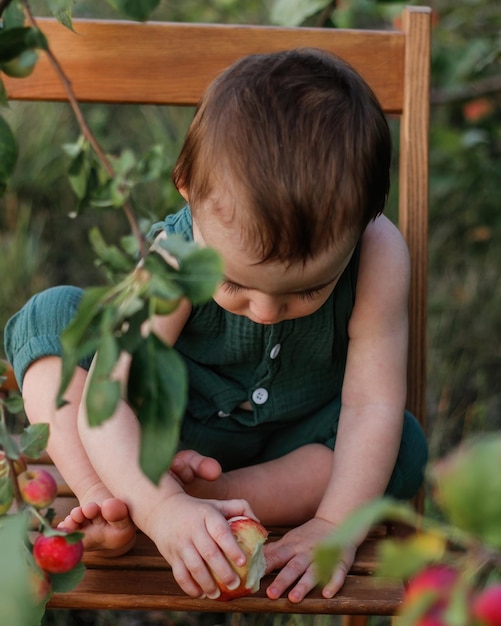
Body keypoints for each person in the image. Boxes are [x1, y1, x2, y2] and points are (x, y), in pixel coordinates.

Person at [4, 48, 428, 603]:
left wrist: (334, 528)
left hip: (288, 452)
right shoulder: (175, 257)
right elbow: (106, 400)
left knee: (400, 447)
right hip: (154, 430)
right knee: (52, 317)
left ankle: (208, 497)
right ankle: (107, 499)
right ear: (186, 186)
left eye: (308, 290)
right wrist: (159, 509)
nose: (268, 310)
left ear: (366, 217)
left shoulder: (378, 255)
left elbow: (370, 405)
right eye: (233, 285)